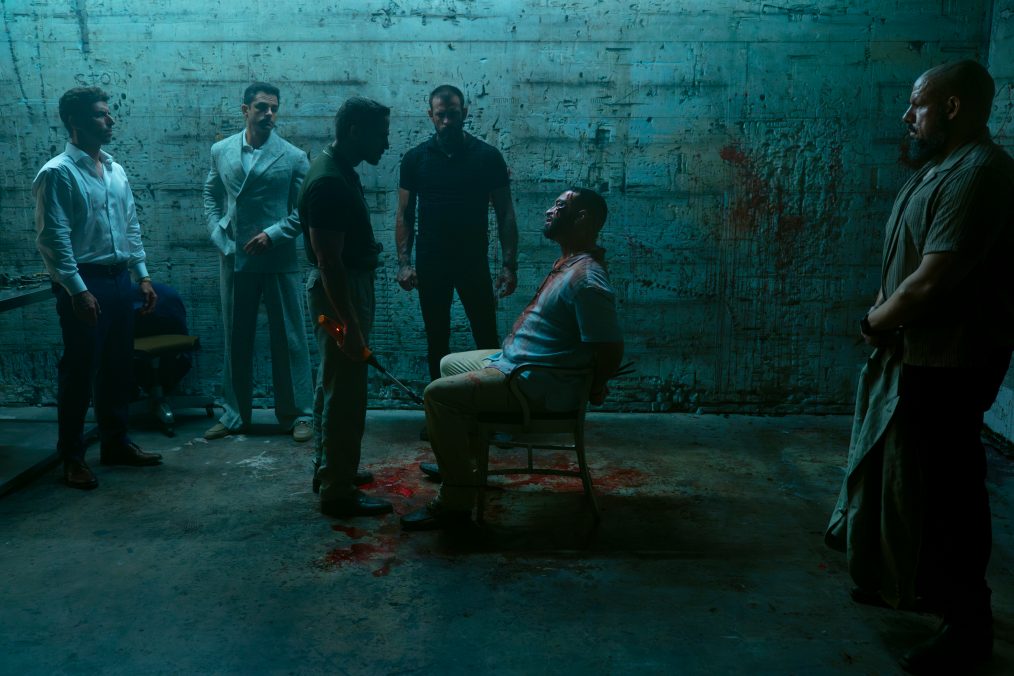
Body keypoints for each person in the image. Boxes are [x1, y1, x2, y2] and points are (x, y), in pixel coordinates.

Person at [825, 60, 1014, 674]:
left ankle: (967, 625)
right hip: (915, 349)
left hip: (951, 359)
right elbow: (905, 263)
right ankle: (912, 582)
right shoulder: (940, 167)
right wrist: (884, 314)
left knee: (947, 492)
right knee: (908, 477)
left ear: (953, 107)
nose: (907, 115)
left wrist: (874, 322)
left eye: (918, 104)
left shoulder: (979, 172)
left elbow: (932, 280)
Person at [400, 188, 623, 531]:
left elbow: (609, 348)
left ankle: (456, 499)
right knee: (448, 364)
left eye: (560, 206)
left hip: (533, 383)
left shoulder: (587, 279)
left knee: (437, 396)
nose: (549, 210)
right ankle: (466, 469)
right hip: (516, 364)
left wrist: (594, 387)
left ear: (582, 219)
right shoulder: (569, 263)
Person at [34, 86, 163, 490]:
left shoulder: (114, 169)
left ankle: (115, 443)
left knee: (118, 367)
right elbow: (53, 240)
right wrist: (77, 290)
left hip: (119, 278)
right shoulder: (57, 173)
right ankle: (72, 457)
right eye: (100, 114)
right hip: (84, 280)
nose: (110, 121)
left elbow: (130, 226)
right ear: (74, 121)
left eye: (108, 113)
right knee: (79, 370)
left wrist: (142, 275)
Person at [202, 82, 314, 442]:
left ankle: (299, 414)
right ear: (245, 109)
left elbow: (304, 211)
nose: (269, 114)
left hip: (278, 257)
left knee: (290, 338)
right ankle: (235, 414)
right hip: (235, 256)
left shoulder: (293, 156)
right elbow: (211, 193)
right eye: (262, 107)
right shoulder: (221, 150)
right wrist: (218, 233)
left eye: (273, 108)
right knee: (236, 336)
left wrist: (274, 234)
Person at [299, 97, 393, 517]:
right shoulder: (330, 182)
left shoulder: (338, 170)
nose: (386, 144)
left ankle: (331, 470)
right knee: (347, 392)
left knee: (333, 383)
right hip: (340, 293)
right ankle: (338, 490)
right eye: (380, 135)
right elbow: (329, 262)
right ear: (355, 130)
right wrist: (350, 325)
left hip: (342, 289)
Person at [396, 84, 520, 391]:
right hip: (431, 263)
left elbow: (505, 213)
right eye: (441, 115)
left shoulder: (487, 157)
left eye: (453, 114)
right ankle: (442, 410)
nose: (447, 121)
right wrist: (404, 263)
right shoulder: (415, 159)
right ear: (431, 115)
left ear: (464, 112)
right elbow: (405, 214)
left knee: (486, 337)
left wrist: (509, 266)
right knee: (436, 338)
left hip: (472, 262)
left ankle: (492, 408)